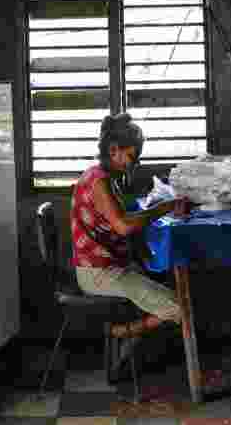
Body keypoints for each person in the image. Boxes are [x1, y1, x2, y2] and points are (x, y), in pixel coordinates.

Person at [71, 113, 189, 338]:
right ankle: (121, 333)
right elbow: (124, 226)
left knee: (165, 283)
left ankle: (128, 341)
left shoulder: (105, 177)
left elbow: (120, 220)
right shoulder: (99, 182)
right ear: (113, 149)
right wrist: (166, 207)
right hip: (98, 272)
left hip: (108, 265)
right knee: (180, 307)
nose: (135, 164)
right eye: (132, 157)